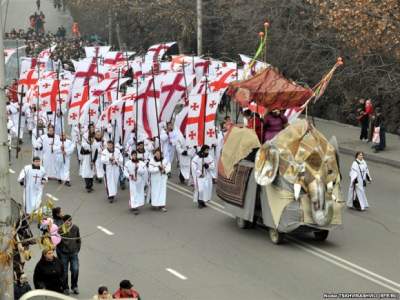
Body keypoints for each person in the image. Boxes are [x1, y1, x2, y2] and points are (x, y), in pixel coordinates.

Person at [56, 215, 81, 295]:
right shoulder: (60, 230)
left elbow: (78, 239)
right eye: (66, 221)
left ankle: (74, 286)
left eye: (69, 221)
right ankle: (65, 287)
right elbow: (57, 242)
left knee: (75, 269)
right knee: (64, 272)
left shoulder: (75, 228)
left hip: (74, 253)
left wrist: (77, 249)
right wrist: (60, 252)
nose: (68, 223)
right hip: (63, 254)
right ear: (63, 222)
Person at [80, 125, 96, 192]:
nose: (92, 129)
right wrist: (89, 147)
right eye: (91, 128)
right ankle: (87, 186)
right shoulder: (85, 135)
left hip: (93, 154)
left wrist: (93, 146)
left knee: (92, 171)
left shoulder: (95, 135)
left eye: (93, 128)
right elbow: (83, 144)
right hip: (86, 156)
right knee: (86, 170)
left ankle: (91, 185)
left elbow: (96, 144)